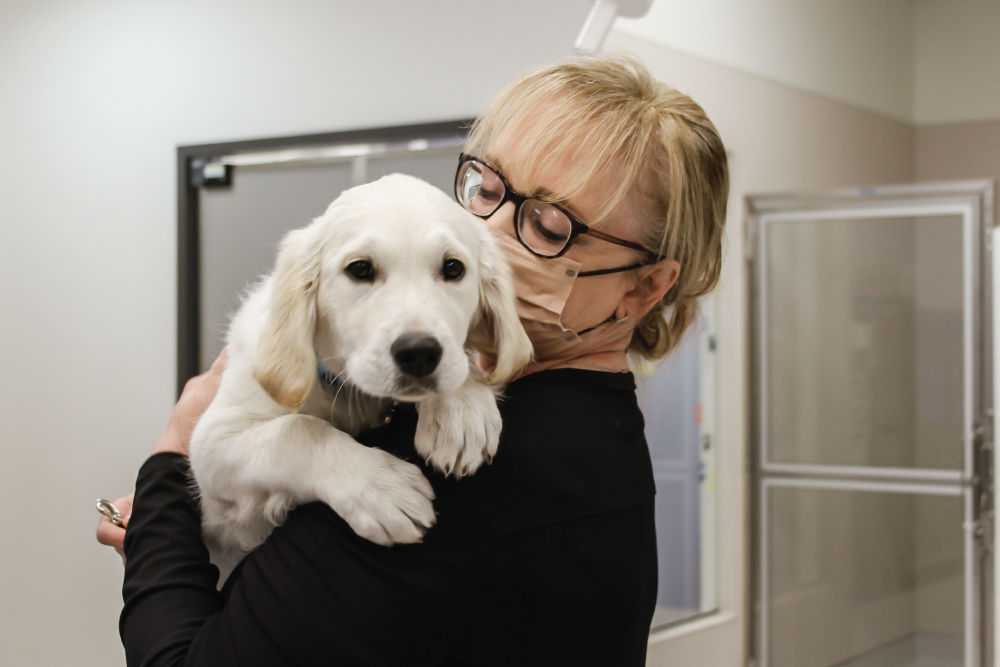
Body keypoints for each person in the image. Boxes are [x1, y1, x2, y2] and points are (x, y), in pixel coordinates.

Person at [97, 54, 728, 666]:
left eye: (550, 223)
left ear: (642, 288)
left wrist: (170, 465)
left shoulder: (473, 475)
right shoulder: (602, 429)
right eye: (487, 186)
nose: (489, 232)